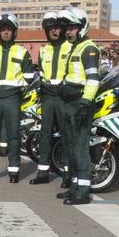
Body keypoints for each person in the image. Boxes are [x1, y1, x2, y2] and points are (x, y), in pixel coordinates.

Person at [0, 13, 35, 184]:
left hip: (12, 98)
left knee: (13, 136)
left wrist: (19, 93)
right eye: (3, 30)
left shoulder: (22, 52)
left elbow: (29, 77)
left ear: (14, 32)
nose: (6, 32)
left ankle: (14, 171)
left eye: (9, 29)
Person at [59, 6, 101, 205]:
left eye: (72, 27)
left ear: (82, 27)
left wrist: (85, 103)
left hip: (80, 102)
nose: (68, 31)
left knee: (79, 147)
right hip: (69, 102)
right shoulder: (75, 47)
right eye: (66, 27)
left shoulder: (89, 48)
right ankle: (75, 186)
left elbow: (93, 79)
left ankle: (83, 191)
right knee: (69, 145)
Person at [30, 11, 70, 186]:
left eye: (57, 28)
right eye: (51, 28)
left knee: (66, 135)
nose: (54, 31)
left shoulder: (70, 47)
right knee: (45, 135)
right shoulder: (43, 50)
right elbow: (41, 73)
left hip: (64, 97)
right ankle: (43, 172)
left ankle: (68, 174)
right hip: (47, 97)